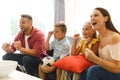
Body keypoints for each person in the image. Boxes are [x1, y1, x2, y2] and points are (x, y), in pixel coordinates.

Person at [79, 7, 120, 80]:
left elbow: (117, 68)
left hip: (117, 72)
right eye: (91, 16)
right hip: (108, 70)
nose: (92, 18)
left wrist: (96, 59)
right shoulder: (99, 37)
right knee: (84, 71)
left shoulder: (115, 37)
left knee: (93, 71)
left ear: (105, 18)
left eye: (96, 15)